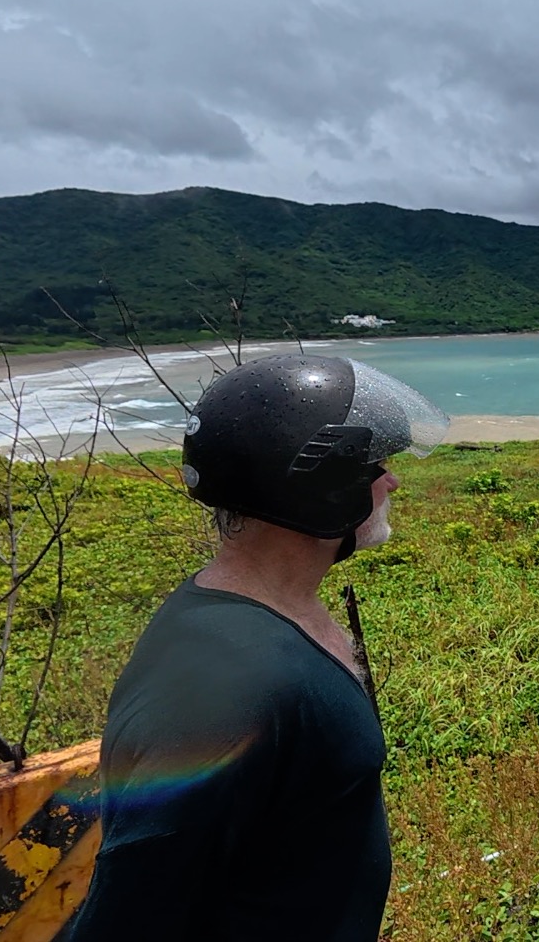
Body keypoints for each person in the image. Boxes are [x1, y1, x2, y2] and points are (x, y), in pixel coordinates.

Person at [69, 354, 449, 942]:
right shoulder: (228, 686)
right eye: (375, 465)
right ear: (322, 488)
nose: (392, 481)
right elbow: (130, 912)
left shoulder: (276, 615)